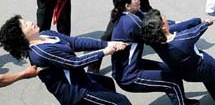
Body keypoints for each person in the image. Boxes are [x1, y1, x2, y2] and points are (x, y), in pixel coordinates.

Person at [0, 15, 130, 105]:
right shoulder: (40, 53)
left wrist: (107, 43)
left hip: (81, 80)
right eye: (25, 25)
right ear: (21, 36)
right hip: (76, 93)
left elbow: (75, 42)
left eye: (26, 20)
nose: (30, 22)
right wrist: (105, 51)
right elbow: (74, 63)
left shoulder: (47, 34)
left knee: (107, 83)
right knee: (121, 101)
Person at [110, 0, 198, 105]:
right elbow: (161, 30)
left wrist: (180, 23)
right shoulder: (131, 22)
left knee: (171, 69)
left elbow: (158, 22)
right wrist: (193, 23)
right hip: (129, 76)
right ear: (127, 5)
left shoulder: (131, 14)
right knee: (173, 82)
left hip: (134, 65)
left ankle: (181, 100)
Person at [141, 9, 215, 105]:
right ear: (163, 26)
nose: (165, 17)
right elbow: (196, 31)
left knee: (209, 81)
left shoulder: (155, 40)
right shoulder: (181, 41)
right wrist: (205, 23)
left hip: (189, 73)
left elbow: (180, 26)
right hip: (205, 65)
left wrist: (197, 20)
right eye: (163, 17)